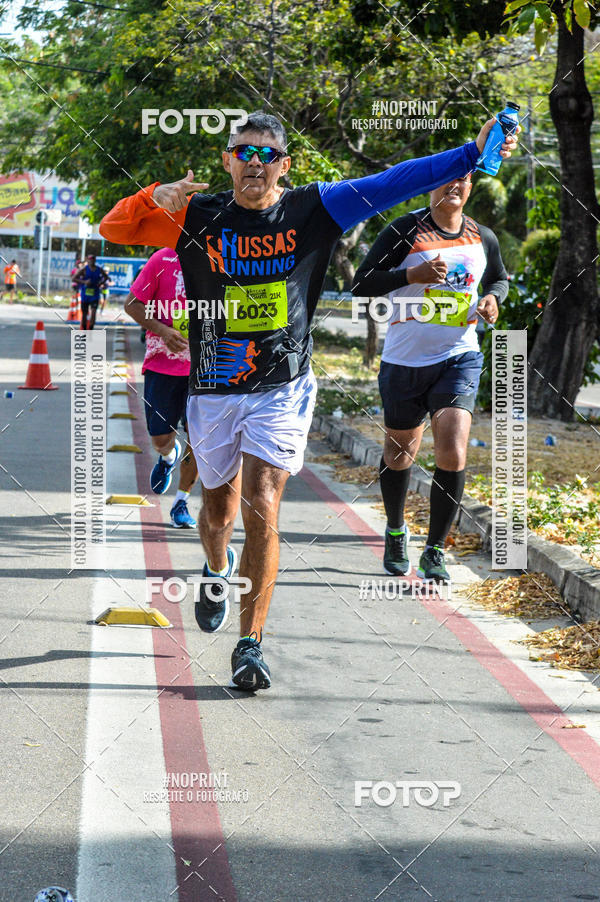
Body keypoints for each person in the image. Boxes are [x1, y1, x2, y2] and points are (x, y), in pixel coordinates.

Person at [100, 110, 518, 691]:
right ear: (227, 160)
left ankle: (251, 644)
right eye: (242, 152)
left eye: (267, 155)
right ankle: (216, 568)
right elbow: (113, 231)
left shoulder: (315, 209)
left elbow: (395, 180)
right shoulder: (193, 214)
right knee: (217, 515)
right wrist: (153, 195)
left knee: (263, 501)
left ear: (284, 166)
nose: (254, 163)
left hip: (283, 385)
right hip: (215, 390)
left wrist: (469, 155)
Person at [352, 172, 508, 581]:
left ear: (471, 188)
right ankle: (396, 530)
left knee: (453, 448)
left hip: (459, 356)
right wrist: (411, 276)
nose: (454, 186)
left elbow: (498, 278)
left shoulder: (482, 236)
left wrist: (492, 299)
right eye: (446, 179)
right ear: (431, 184)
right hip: (404, 361)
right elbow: (361, 284)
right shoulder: (405, 230)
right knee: (399, 453)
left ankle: (436, 549)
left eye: (463, 180)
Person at [124, 249, 199, 528]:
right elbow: (131, 303)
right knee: (159, 438)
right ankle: (168, 456)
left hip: (208, 368)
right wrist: (163, 331)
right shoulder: (163, 259)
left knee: (200, 439)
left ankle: (182, 501)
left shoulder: (224, 258)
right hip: (163, 364)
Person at [74, 254, 109, 330]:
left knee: (93, 312)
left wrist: (101, 283)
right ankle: (84, 330)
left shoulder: (99, 269)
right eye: (90, 259)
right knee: (84, 314)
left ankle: (91, 329)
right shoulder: (84, 269)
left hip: (95, 294)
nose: (91, 260)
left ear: (95, 260)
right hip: (85, 294)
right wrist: (84, 282)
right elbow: (74, 278)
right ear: (87, 260)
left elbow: (106, 277)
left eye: (93, 259)